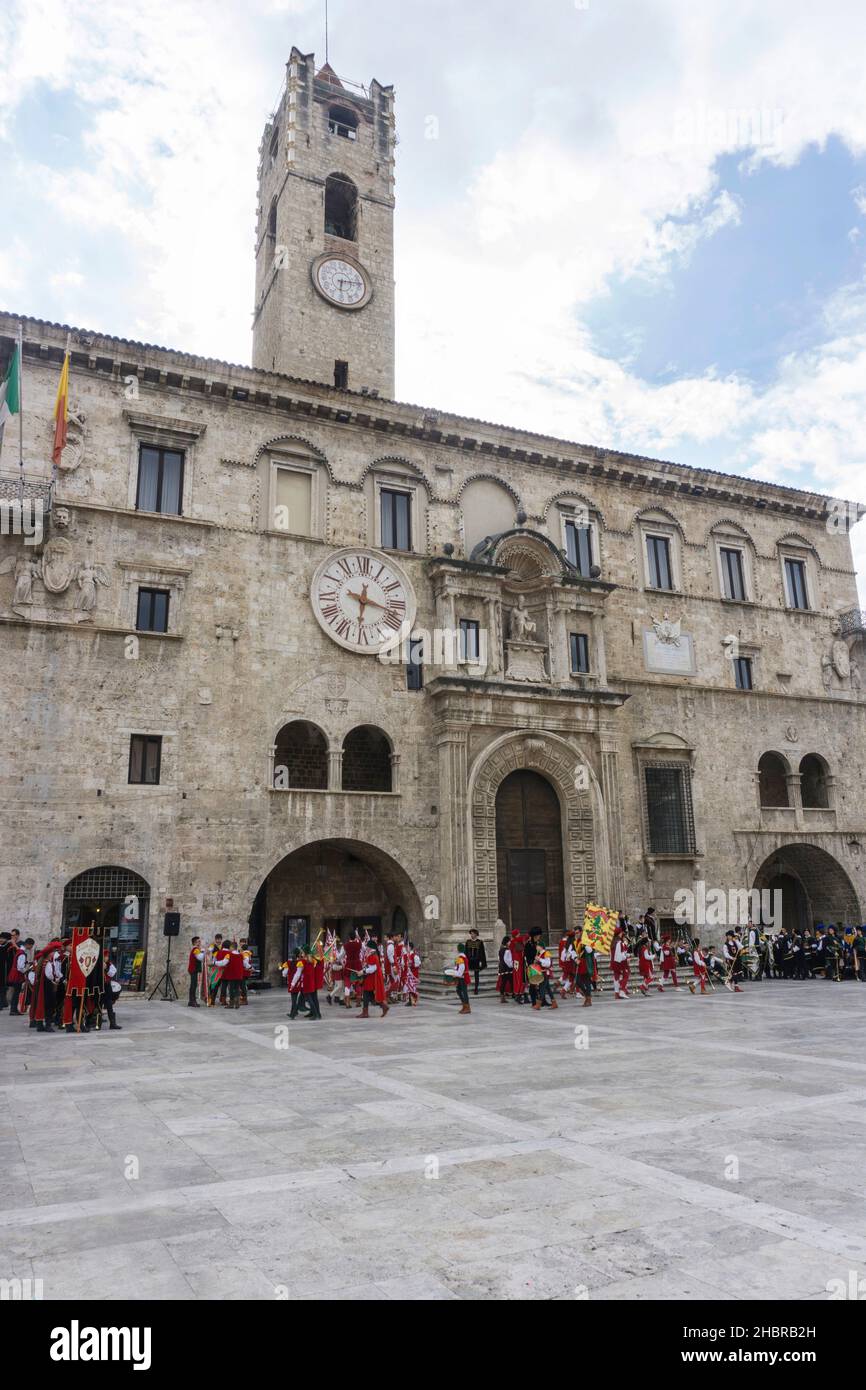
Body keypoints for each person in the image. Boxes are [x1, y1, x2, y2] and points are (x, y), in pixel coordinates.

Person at [358, 936, 389, 1019]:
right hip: (370, 977)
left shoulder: (372, 955)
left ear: (370, 947)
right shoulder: (372, 954)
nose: (366, 947)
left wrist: (363, 971)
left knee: (366, 994)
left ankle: (365, 1012)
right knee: (370, 996)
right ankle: (383, 1006)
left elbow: (372, 968)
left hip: (371, 978)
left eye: (367, 946)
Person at [8, 937, 33, 1016]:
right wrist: (26, 971)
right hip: (17, 975)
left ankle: (14, 1009)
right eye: (31, 946)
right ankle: (13, 1010)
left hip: (15, 973)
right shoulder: (22, 953)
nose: (31, 948)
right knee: (16, 992)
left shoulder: (20, 951)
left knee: (16, 992)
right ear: (28, 944)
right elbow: (20, 967)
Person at [446, 944, 471, 1015]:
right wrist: (453, 970)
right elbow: (459, 967)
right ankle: (464, 1005)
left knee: (463, 991)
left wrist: (454, 974)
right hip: (463, 976)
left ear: (458, 949)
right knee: (459, 990)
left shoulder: (460, 958)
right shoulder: (463, 957)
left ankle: (467, 1007)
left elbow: (461, 969)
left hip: (462, 977)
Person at [102, 950, 122, 1030]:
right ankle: (95, 1022)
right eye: (104, 956)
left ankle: (112, 1024)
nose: (106, 958)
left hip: (107, 986)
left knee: (109, 1004)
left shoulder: (109, 965)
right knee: (97, 1004)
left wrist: (106, 968)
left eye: (106, 956)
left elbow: (112, 973)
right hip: (99, 987)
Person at [611, 923, 631, 1000]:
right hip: (619, 962)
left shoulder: (613, 942)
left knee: (616, 977)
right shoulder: (619, 943)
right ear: (619, 933)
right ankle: (622, 991)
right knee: (626, 975)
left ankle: (616, 993)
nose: (622, 933)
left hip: (614, 961)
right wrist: (627, 957)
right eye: (621, 932)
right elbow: (620, 955)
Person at [283, 952, 305, 1019]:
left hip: (292, 982)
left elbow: (284, 973)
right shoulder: (299, 963)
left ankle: (293, 1013)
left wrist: (292, 982)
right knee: (295, 998)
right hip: (298, 982)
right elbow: (299, 973)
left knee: (293, 999)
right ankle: (293, 1012)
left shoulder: (288, 963)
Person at [465, 929, 487, 995]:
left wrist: (481, 961)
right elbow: (465, 951)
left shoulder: (480, 942)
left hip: (477, 961)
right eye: (471, 934)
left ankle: (476, 989)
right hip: (469, 960)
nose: (472, 935)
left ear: (476, 934)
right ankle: (465, 987)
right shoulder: (468, 942)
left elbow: (482, 953)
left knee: (476, 975)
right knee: (466, 973)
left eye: (473, 934)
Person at [576, 939, 596, 1006]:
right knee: (577, 981)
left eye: (578, 933)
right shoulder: (578, 942)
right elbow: (577, 952)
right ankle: (587, 996)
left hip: (586, 964)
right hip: (580, 963)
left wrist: (585, 944)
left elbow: (589, 951)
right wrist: (576, 959)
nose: (577, 934)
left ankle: (588, 999)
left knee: (587, 982)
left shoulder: (588, 942)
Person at [187, 936, 204, 1007]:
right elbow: (200, 957)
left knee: (194, 985)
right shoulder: (195, 949)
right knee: (193, 985)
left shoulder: (197, 949)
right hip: (193, 969)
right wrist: (204, 952)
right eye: (198, 941)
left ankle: (191, 1001)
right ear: (194, 943)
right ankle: (192, 1001)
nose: (199, 943)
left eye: (199, 941)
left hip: (194, 969)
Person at [496, 934, 513, 1003]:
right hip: (507, 968)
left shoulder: (501, 950)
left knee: (504, 982)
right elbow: (507, 960)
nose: (510, 942)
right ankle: (514, 994)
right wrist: (512, 966)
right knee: (510, 981)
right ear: (506, 942)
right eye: (509, 941)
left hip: (502, 968)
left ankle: (503, 996)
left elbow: (499, 959)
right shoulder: (507, 950)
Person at [404, 941, 421, 1006]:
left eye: (407, 947)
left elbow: (418, 964)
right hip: (409, 974)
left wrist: (411, 965)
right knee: (409, 988)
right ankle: (410, 1000)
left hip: (413, 974)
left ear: (410, 947)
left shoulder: (414, 955)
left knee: (412, 987)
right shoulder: (408, 955)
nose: (405, 948)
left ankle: (413, 1000)